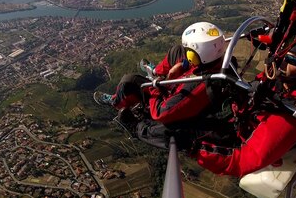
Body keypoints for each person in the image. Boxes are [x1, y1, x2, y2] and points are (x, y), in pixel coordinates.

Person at [193, 28, 296, 177]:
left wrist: (192, 147)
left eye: (293, 60)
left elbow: (240, 162)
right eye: (282, 54)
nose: (282, 62)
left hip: (241, 137)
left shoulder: (292, 116)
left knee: (178, 131)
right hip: (244, 114)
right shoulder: (286, 82)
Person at [93, 21, 228, 126]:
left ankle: (115, 102)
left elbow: (161, 113)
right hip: (192, 71)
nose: (187, 53)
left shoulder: (197, 85)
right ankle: (156, 71)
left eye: (189, 52)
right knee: (177, 50)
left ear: (195, 57)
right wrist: (184, 64)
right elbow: (192, 60)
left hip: (166, 94)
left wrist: (154, 87)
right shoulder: (218, 61)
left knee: (128, 81)